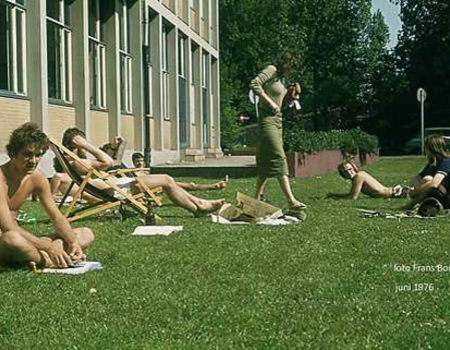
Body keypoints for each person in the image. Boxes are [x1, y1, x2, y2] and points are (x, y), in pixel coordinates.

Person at [61, 128, 225, 216]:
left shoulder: (74, 163)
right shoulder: (77, 163)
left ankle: (199, 206)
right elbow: (108, 162)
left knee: (167, 180)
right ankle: (199, 206)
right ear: (77, 144)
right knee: (167, 180)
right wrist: (86, 145)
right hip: (119, 190)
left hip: (117, 185)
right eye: (83, 140)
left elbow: (110, 162)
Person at [0, 122, 94, 269]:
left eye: (38, 155)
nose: (33, 161)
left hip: (22, 239)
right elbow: (7, 226)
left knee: (86, 234)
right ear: (13, 153)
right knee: (12, 239)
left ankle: (34, 257)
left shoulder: (36, 178)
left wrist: (73, 243)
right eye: (27, 154)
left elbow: (56, 217)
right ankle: (46, 260)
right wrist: (48, 247)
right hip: (6, 239)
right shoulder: (1, 178)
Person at [249, 52, 306, 210]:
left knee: (266, 158)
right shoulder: (271, 70)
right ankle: (291, 200)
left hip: (278, 120)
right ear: (285, 64)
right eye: (290, 67)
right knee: (279, 156)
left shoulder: (281, 78)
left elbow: (280, 101)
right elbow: (254, 84)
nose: (291, 71)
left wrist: (290, 97)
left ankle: (256, 199)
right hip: (267, 119)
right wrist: (270, 103)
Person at [131, 152, 227, 191]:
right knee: (187, 186)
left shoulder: (145, 171)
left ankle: (212, 186)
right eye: (137, 161)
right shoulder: (133, 173)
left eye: (141, 161)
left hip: (160, 186)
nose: (140, 163)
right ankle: (212, 186)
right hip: (158, 187)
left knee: (189, 185)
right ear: (133, 162)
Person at [403, 135, 450, 210]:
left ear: (431, 148)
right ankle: (421, 202)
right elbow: (418, 177)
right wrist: (412, 188)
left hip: (447, 197)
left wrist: (416, 191)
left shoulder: (446, 161)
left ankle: (411, 205)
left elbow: (434, 183)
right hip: (441, 193)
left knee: (428, 180)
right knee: (420, 178)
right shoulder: (433, 162)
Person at [327, 161, 410, 200]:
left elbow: (353, 197)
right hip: (395, 192)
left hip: (397, 193)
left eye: (349, 169)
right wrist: (336, 195)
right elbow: (351, 194)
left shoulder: (359, 176)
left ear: (353, 168)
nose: (348, 172)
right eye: (345, 172)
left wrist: (336, 197)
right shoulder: (357, 176)